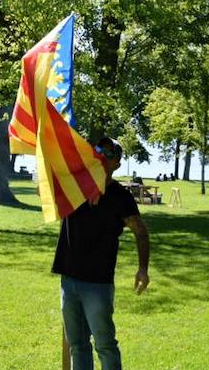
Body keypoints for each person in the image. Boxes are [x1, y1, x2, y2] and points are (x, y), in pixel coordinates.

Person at [53, 136, 150, 370]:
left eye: (108, 153)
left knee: (105, 345)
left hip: (97, 284)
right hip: (69, 280)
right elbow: (44, 187)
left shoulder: (120, 196)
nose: (100, 155)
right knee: (77, 345)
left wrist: (143, 268)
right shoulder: (74, 186)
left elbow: (140, 231)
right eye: (97, 150)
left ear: (117, 163)